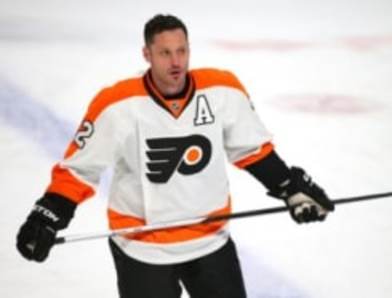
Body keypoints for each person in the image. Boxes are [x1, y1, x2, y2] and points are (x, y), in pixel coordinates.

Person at [16, 14, 334, 298]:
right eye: (165, 53)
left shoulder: (223, 90)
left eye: (182, 51)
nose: (176, 62)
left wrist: (289, 187)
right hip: (142, 249)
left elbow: (252, 151)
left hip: (210, 241)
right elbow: (79, 170)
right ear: (147, 54)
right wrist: (47, 215)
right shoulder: (116, 104)